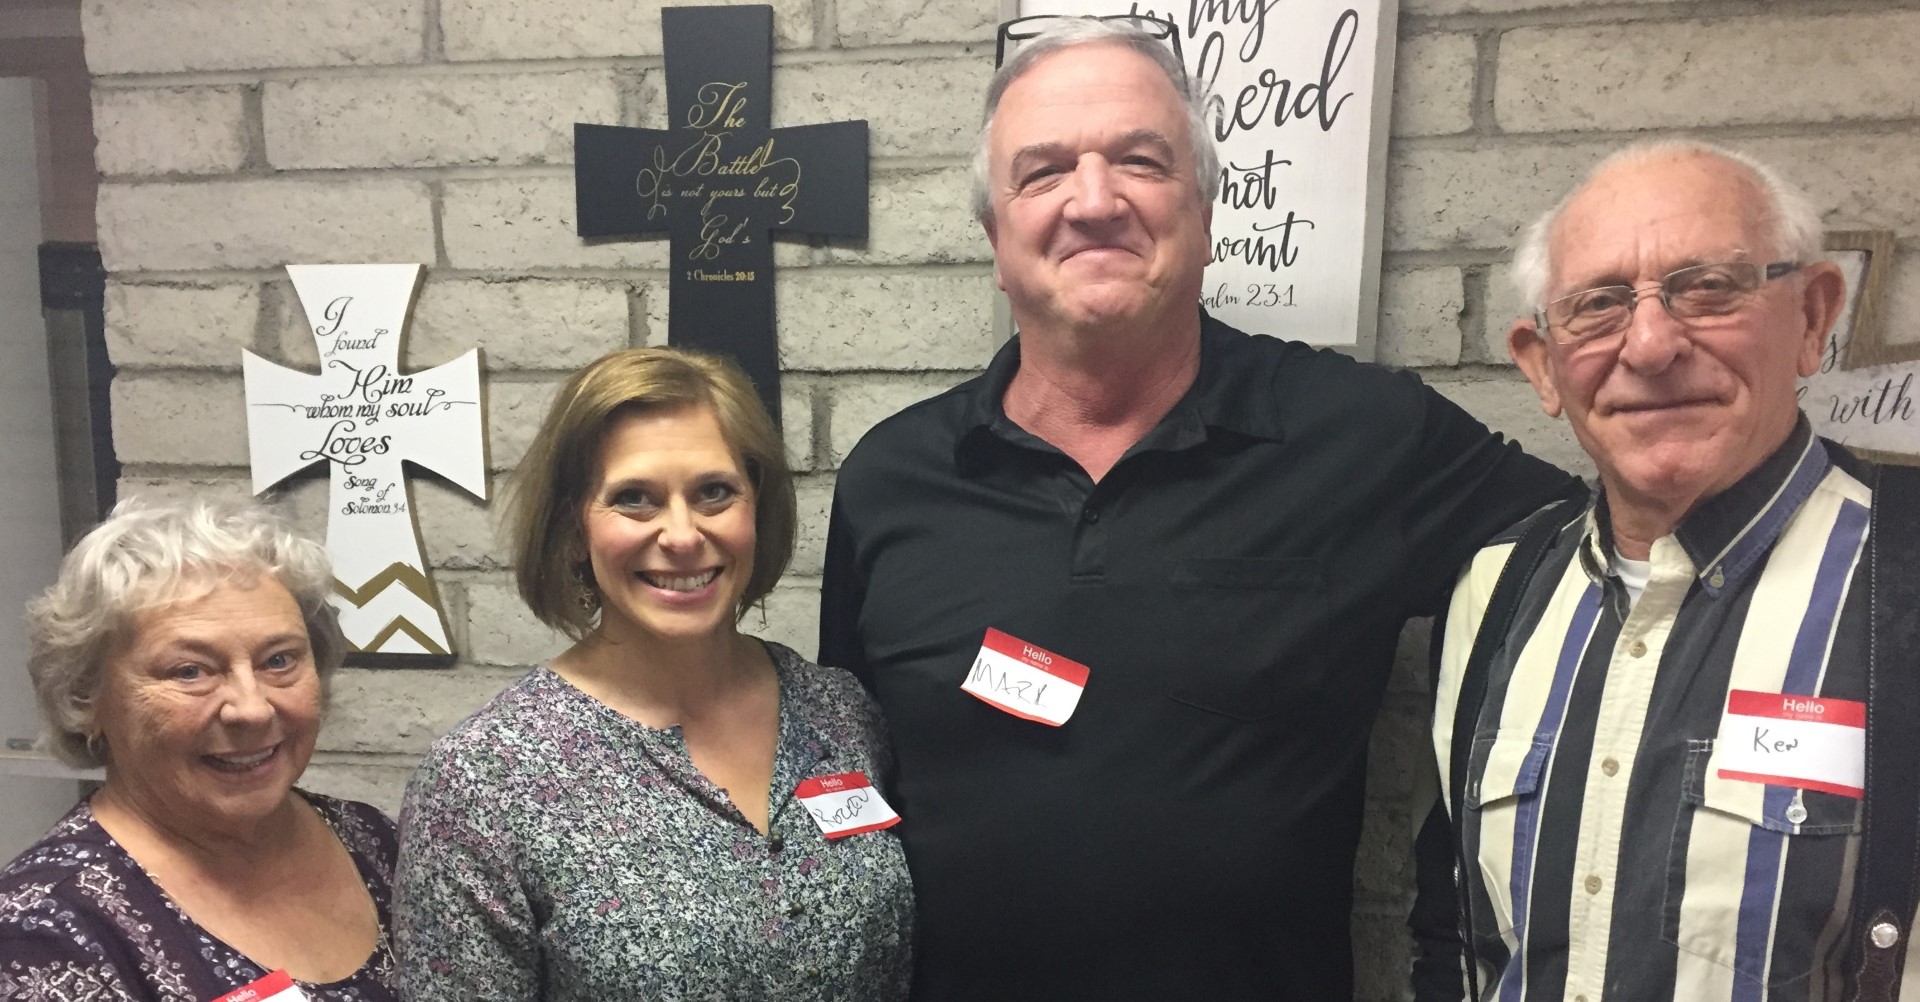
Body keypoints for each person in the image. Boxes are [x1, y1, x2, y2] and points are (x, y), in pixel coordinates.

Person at [818, 16, 1579, 1002]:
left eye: (1140, 161)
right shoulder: (892, 476)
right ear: (997, 241)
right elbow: (841, 767)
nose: (1095, 201)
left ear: (1207, 214)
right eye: (1044, 172)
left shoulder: (1364, 436)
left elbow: (1609, 573)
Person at [1412, 140, 1906, 1000]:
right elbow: (1455, 933)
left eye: (1709, 287)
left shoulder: (1899, 580)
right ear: (1541, 365)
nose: (1648, 345)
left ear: (1813, 316)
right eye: (1598, 305)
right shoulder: (1495, 592)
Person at [393, 348, 913, 1001]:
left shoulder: (838, 711)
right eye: (634, 499)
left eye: (714, 492)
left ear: (757, 506)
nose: (682, 535)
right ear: (573, 527)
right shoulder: (483, 782)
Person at [0, 498, 398, 1000]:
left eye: (278, 661)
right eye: (190, 671)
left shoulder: (373, 840)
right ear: (86, 698)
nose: (252, 710)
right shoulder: (41, 930)